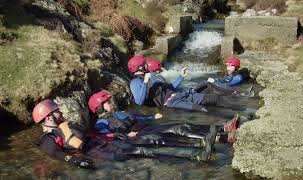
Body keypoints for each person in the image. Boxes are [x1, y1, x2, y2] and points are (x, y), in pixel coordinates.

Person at [32, 99, 232, 168]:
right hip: (101, 154)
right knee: (147, 152)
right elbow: (55, 154)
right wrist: (75, 161)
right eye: (56, 110)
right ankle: (196, 158)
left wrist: (113, 136)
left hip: (107, 144)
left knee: (151, 144)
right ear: (49, 116)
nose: (61, 112)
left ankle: (198, 148)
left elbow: (92, 135)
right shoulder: (47, 139)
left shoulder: (64, 126)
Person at [89, 90, 239, 158]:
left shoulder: (118, 113)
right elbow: (106, 136)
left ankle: (222, 129)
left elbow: (137, 118)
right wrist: (126, 135)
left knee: (182, 124)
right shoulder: (101, 122)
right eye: (106, 102)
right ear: (99, 107)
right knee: (176, 129)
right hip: (137, 136)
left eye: (109, 100)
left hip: (145, 127)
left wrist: (152, 117)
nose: (110, 102)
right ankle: (220, 139)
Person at [128, 55, 250, 112]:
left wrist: (181, 76)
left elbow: (170, 87)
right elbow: (139, 101)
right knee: (201, 108)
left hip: (179, 95)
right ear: (139, 67)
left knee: (213, 98)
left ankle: (240, 109)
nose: (146, 64)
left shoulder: (154, 76)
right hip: (170, 103)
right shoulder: (135, 82)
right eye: (144, 63)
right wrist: (144, 82)